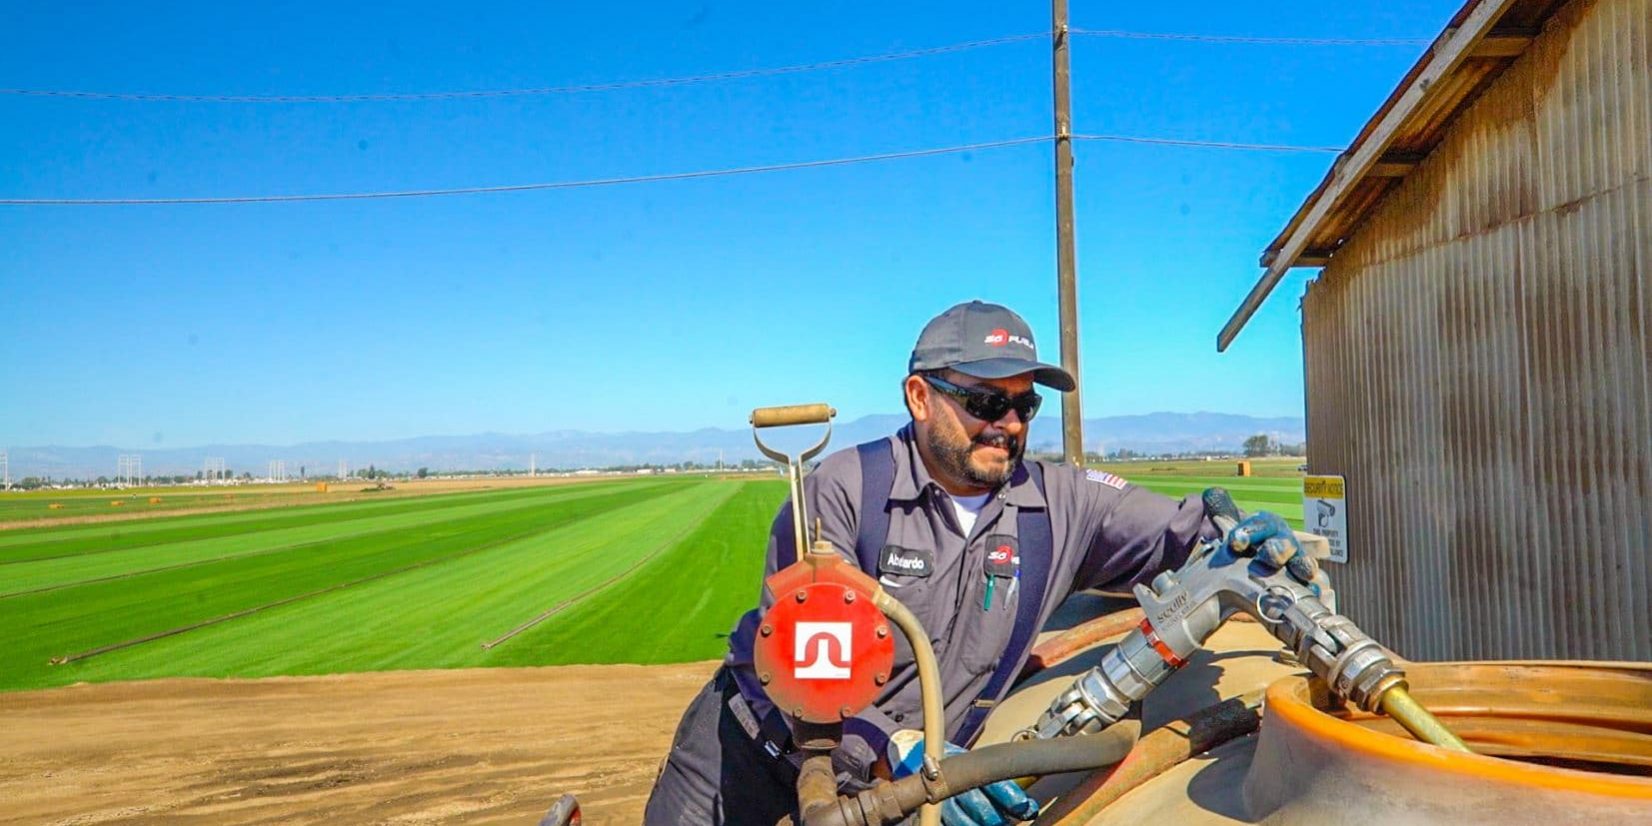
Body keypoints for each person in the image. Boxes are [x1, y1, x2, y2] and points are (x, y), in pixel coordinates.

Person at [643, 300, 1311, 826]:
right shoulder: (845, 491)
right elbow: (805, 658)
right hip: (756, 748)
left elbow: (1181, 534)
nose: (1009, 424)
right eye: (987, 402)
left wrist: (1241, 537)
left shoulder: (1059, 505)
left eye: (1024, 405)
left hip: (917, 782)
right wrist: (898, 749)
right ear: (919, 397)